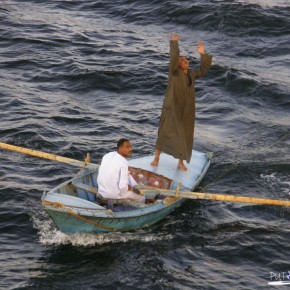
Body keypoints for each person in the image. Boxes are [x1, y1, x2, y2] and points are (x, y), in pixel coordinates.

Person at [151, 33, 212, 171]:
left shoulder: (191, 74)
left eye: (186, 59)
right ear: (177, 64)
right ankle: (156, 157)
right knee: (164, 132)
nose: (185, 60)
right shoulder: (174, 73)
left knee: (185, 134)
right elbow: (173, 59)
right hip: (172, 107)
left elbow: (203, 70)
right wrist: (174, 43)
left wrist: (203, 54)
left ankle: (180, 161)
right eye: (182, 59)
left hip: (186, 110)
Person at [97, 138, 145, 204]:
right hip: (113, 194)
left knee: (128, 175)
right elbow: (122, 187)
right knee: (141, 197)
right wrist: (128, 189)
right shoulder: (123, 162)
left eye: (130, 147)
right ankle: (136, 210)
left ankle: (135, 186)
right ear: (120, 149)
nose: (130, 149)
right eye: (127, 147)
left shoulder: (108, 155)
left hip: (101, 191)